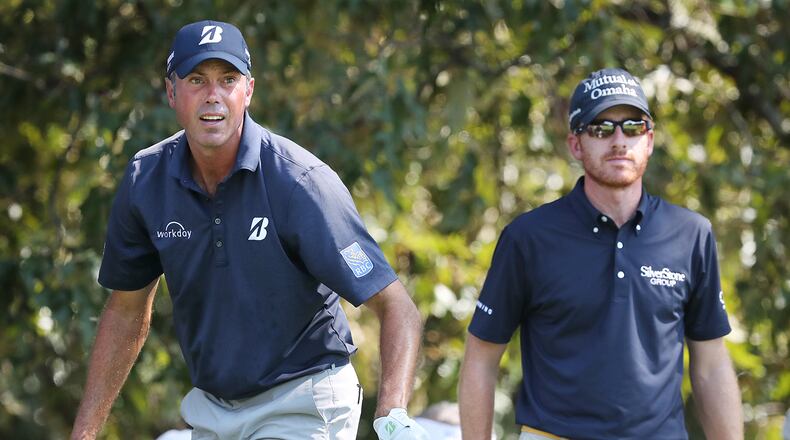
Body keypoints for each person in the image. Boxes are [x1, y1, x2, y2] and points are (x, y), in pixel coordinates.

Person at [71, 20, 429, 440]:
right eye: (196, 80)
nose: (213, 96)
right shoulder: (146, 180)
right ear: (172, 92)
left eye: (228, 80)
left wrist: (391, 413)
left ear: (249, 91)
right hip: (212, 411)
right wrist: (84, 433)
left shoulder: (299, 183)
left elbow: (396, 306)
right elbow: (126, 311)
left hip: (302, 401)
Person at [458, 68, 743, 439]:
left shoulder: (690, 234)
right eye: (601, 129)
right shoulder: (528, 238)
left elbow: (710, 364)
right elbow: (481, 358)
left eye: (633, 127)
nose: (619, 140)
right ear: (576, 144)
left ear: (650, 140)